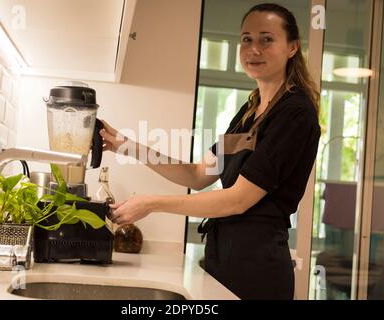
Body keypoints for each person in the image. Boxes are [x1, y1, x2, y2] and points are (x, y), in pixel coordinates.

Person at [99, 3, 320, 300]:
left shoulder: (295, 114)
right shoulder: (250, 111)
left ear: (292, 47)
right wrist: (128, 146)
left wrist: (151, 202)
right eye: (246, 39)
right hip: (223, 259)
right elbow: (199, 174)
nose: (254, 49)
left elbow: (238, 199)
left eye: (267, 39)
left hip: (256, 271)